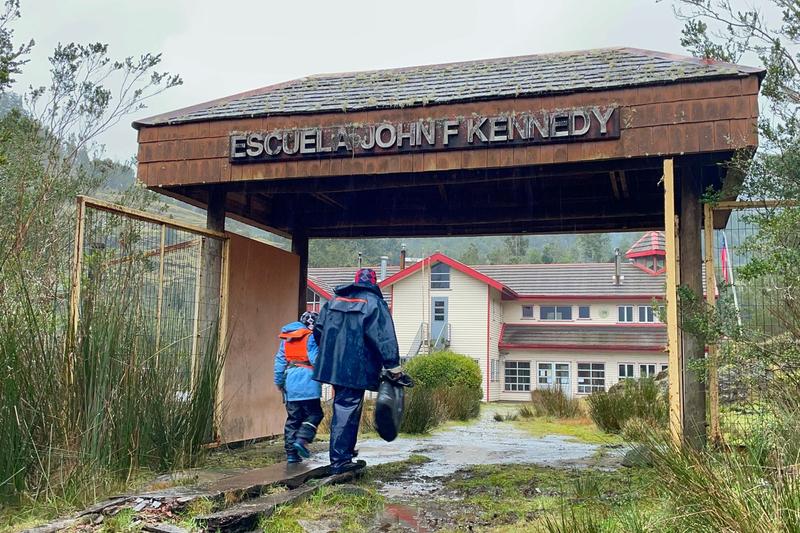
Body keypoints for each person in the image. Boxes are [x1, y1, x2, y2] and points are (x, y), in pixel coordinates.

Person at [312, 267, 405, 474]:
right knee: (347, 407)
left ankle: (344, 452)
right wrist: (393, 367)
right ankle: (340, 460)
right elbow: (384, 337)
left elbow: (318, 330)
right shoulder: (374, 304)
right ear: (373, 283)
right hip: (357, 367)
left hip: (334, 365)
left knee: (343, 406)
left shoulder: (333, 301)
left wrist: (330, 353)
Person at [274, 311, 323, 463]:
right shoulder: (311, 337)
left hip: (291, 383)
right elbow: (316, 360)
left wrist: (279, 382)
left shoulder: (287, 338)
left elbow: (280, 362)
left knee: (293, 419)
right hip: (309, 382)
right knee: (315, 414)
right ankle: (302, 439)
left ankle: (291, 454)